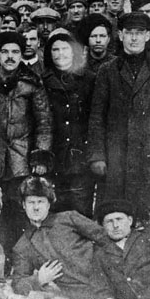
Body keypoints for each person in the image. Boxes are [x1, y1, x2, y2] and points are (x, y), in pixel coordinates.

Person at [88, 13, 150, 243]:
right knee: (118, 220)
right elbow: (97, 117)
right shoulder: (107, 70)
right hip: (118, 159)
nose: (134, 38)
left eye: (139, 33)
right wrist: (97, 155)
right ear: (120, 35)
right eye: (129, 33)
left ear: (148, 36)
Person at [0, 31, 53, 255]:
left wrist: (40, 156)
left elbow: (44, 123)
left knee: (18, 212)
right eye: (5, 51)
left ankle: (18, 259)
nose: (10, 56)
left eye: (15, 52)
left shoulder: (32, 84)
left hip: (21, 159)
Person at [11, 176, 110, 299]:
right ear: (24, 205)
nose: (36, 207)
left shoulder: (68, 218)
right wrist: (39, 279)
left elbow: (105, 238)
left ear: (49, 204)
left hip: (110, 274)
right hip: (87, 294)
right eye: (31, 202)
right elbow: (18, 282)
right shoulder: (23, 244)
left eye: (40, 202)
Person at [41, 31, 96, 217]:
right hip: (54, 156)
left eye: (65, 49)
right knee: (54, 210)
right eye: (55, 49)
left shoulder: (89, 79)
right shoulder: (42, 81)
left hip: (80, 157)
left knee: (81, 209)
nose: (61, 54)